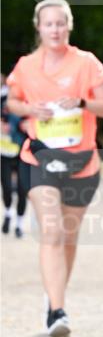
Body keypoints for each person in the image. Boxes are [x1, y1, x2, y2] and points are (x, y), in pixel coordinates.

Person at [6, 0, 103, 337]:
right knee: (51, 229)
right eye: (48, 23)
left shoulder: (86, 63)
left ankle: (55, 296)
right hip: (39, 158)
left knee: (68, 236)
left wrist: (82, 102)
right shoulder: (26, 65)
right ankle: (57, 311)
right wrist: (29, 109)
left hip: (82, 161)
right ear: (38, 27)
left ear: (69, 26)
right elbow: (11, 100)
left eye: (60, 23)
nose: (54, 29)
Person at [1, 73, 28, 238]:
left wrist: (28, 125)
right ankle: (8, 212)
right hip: (4, 150)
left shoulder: (30, 99)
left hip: (24, 151)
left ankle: (19, 225)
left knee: (22, 189)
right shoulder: (2, 98)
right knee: (6, 188)